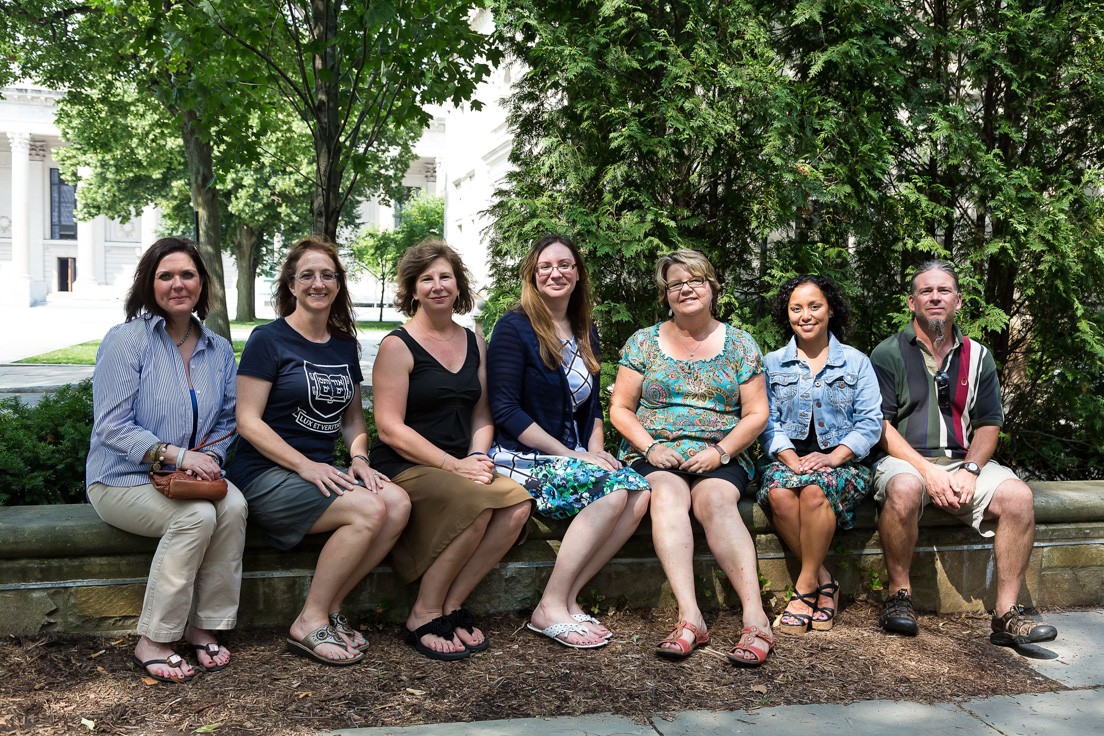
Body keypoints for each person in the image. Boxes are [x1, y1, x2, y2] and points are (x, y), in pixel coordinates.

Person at [228, 236, 410, 666]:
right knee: (368, 510)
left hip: (320, 471)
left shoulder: (345, 344)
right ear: (291, 285)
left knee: (397, 503)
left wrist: (360, 458)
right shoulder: (268, 340)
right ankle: (308, 621)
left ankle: (331, 609)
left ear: (338, 284)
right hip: (266, 474)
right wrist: (306, 465)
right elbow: (247, 421)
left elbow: (351, 419)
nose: (318, 283)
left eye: (327, 275)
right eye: (307, 275)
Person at [869, 260, 1057, 646]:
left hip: (962, 460)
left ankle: (1006, 614)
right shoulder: (887, 353)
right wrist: (928, 471)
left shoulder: (979, 356)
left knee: (1019, 497)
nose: (935, 297)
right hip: (905, 459)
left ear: (957, 301)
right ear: (911, 302)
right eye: (926, 291)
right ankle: (898, 597)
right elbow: (881, 427)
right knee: (904, 488)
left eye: (943, 291)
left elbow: (989, 423)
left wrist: (970, 469)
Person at [86, 237, 244, 683]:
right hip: (121, 479)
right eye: (166, 275)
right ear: (149, 283)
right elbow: (111, 427)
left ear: (202, 282)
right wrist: (176, 455)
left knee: (233, 506)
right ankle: (153, 640)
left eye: (188, 274)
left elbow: (229, 419)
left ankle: (204, 625)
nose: (178, 284)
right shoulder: (127, 341)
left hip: (188, 475)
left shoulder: (217, 349)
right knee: (195, 517)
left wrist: (205, 459)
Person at [371, 239, 534, 661]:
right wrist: (454, 465)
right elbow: (389, 428)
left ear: (458, 285)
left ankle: (453, 603)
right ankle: (422, 613)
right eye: (427, 279)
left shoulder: (473, 338)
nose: (438, 286)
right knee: (477, 504)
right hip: (407, 463)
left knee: (517, 505)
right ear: (413, 290)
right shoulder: (397, 345)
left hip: (461, 462)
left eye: (445, 277)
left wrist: (477, 457)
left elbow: (483, 414)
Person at [609, 249, 774, 666]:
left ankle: (756, 619)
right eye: (675, 284)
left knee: (715, 501)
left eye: (695, 280)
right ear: (666, 295)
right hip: (654, 452)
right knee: (666, 495)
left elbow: (757, 413)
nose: (686, 289)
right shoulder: (643, 342)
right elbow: (621, 409)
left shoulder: (740, 344)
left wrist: (720, 452)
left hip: (720, 454)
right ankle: (691, 617)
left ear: (712, 287)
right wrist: (650, 447)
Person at [487, 235, 651, 648]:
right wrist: (573, 455)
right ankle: (549, 607)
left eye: (565, 265)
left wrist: (595, 450)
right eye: (545, 266)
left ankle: (570, 597)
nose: (555, 273)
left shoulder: (584, 329)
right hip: (520, 456)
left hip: (571, 455)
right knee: (612, 495)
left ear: (577, 274)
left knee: (640, 493)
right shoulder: (514, 327)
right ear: (533, 275)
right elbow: (505, 410)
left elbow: (591, 406)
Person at [758, 275, 882, 634]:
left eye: (815, 306)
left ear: (830, 311)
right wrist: (787, 456)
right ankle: (825, 582)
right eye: (797, 308)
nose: (805, 315)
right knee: (781, 494)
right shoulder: (772, 364)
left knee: (815, 490)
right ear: (788, 313)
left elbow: (870, 423)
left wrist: (834, 456)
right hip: (787, 460)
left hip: (842, 463)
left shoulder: (856, 362)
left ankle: (804, 589)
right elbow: (765, 420)